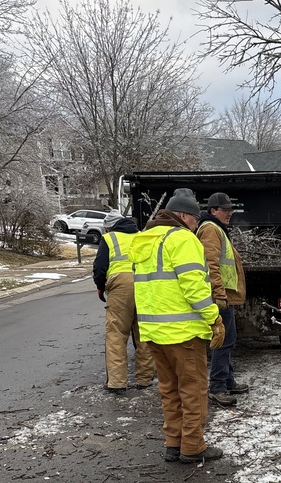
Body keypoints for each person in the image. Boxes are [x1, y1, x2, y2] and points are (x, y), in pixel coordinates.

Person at [129, 188, 225, 464]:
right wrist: (213, 318)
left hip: (153, 333)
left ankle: (174, 442)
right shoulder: (182, 239)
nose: (198, 225)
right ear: (183, 216)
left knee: (169, 390)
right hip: (184, 333)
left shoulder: (145, 239)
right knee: (192, 391)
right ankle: (193, 446)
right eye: (196, 219)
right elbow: (194, 287)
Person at [93, 210, 156, 395]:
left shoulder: (109, 238)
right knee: (144, 333)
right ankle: (145, 379)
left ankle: (117, 382)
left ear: (110, 226)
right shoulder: (143, 236)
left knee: (116, 334)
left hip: (120, 285)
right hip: (145, 283)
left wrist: (100, 285)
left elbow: (99, 267)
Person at [195, 192, 248, 407]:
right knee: (223, 342)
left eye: (230, 210)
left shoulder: (215, 228)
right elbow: (211, 264)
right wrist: (218, 294)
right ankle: (217, 387)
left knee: (229, 340)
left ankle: (227, 381)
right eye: (225, 210)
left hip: (224, 295)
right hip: (220, 296)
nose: (229, 214)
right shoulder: (210, 229)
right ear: (213, 211)